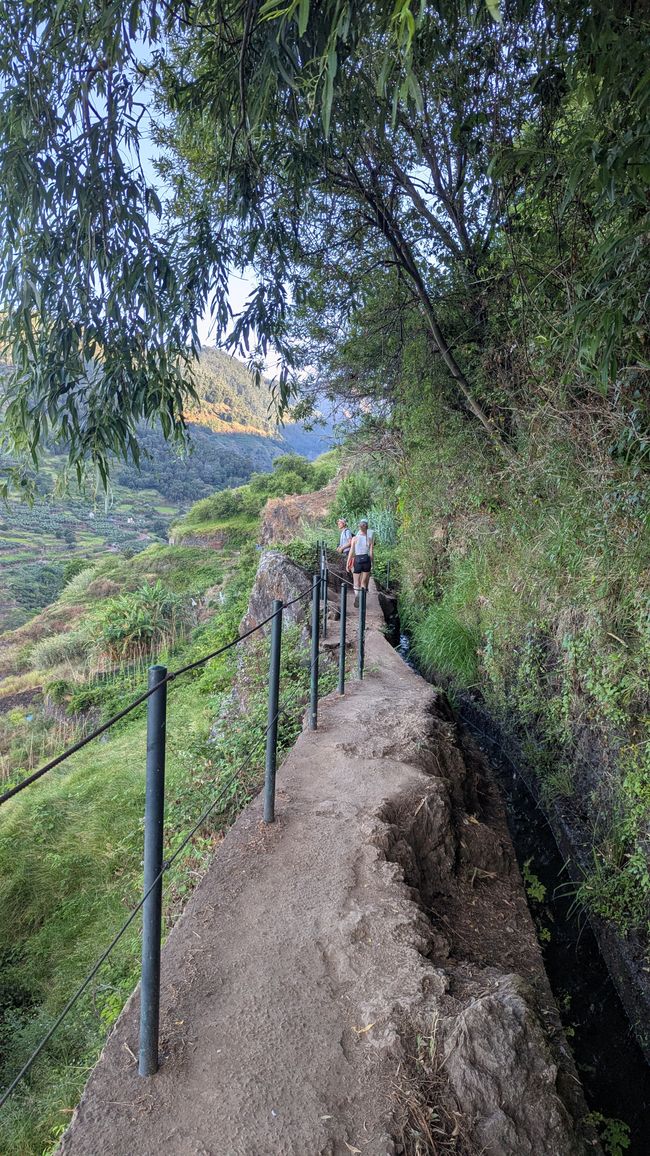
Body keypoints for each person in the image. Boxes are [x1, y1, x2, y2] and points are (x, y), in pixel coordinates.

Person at [346, 518, 374, 607]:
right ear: (367, 527)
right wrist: (372, 563)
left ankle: (358, 596)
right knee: (363, 583)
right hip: (367, 561)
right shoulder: (369, 539)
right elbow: (371, 553)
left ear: (359, 527)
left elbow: (351, 551)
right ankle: (362, 600)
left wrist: (348, 562)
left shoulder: (355, 538)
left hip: (357, 560)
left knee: (356, 583)